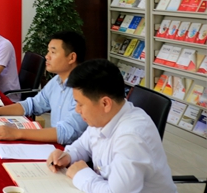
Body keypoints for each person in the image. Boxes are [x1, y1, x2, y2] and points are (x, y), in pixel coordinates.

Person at [47, 59, 177, 193]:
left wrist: (80, 174)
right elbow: (83, 145)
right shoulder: (102, 118)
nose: (77, 110)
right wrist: (67, 156)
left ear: (105, 104)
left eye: (80, 104)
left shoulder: (131, 136)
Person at [0, 30, 88, 145]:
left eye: (53, 52)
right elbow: (32, 104)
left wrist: (17, 133)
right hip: (56, 147)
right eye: (48, 51)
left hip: (72, 151)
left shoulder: (84, 89)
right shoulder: (56, 81)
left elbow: (66, 133)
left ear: (71, 58)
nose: (47, 56)